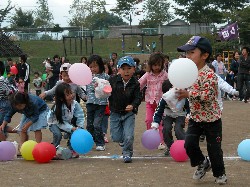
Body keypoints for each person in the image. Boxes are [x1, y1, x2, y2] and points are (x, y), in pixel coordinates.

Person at [176, 36, 227, 184]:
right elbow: (183, 87)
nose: (187, 56)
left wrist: (188, 94)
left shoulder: (209, 74)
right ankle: (202, 162)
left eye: (192, 52)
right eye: (186, 53)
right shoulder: (187, 73)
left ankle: (220, 174)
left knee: (214, 149)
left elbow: (209, 96)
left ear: (204, 56)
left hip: (212, 119)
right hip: (196, 118)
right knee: (189, 143)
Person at [108, 56, 142, 163]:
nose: (126, 71)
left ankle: (127, 153)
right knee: (116, 137)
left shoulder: (135, 83)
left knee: (129, 136)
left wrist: (133, 105)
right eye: (123, 69)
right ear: (118, 70)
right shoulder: (112, 81)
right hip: (115, 112)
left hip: (129, 114)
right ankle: (124, 143)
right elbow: (105, 90)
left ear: (134, 69)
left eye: (129, 68)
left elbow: (138, 97)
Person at [138, 53, 168, 150]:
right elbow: (139, 84)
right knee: (149, 120)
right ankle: (151, 138)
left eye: (159, 65)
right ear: (151, 65)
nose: (156, 67)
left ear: (162, 64)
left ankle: (161, 141)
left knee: (160, 123)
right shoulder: (147, 75)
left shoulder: (165, 75)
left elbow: (170, 85)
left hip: (161, 103)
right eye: (154, 65)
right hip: (150, 102)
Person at [47, 83, 85, 158]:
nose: (71, 96)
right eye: (67, 95)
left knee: (74, 132)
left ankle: (72, 149)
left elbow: (80, 115)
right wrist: (71, 128)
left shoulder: (75, 104)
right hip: (54, 123)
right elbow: (60, 123)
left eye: (71, 93)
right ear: (61, 98)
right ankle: (52, 149)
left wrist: (80, 127)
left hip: (66, 122)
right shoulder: (58, 108)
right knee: (58, 135)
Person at [151, 79, 187, 156]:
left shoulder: (183, 97)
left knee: (178, 129)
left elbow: (190, 108)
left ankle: (185, 145)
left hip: (180, 115)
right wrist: (155, 123)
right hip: (168, 115)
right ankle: (170, 147)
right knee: (166, 129)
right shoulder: (164, 99)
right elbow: (158, 112)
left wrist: (189, 116)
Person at [86, 55, 110, 151]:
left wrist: (100, 86)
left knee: (97, 124)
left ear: (100, 66)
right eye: (91, 67)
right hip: (90, 103)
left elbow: (109, 89)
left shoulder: (105, 76)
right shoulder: (88, 77)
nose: (93, 69)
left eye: (95, 66)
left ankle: (100, 143)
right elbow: (88, 89)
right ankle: (91, 141)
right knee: (89, 125)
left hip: (101, 104)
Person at [0, 61, 18, 141]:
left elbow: (9, 91)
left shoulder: (1, 80)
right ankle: (20, 131)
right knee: (2, 125)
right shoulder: (3, 79)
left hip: (4, 103)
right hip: (3, 103)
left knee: (1, 126)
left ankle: (3, 146)